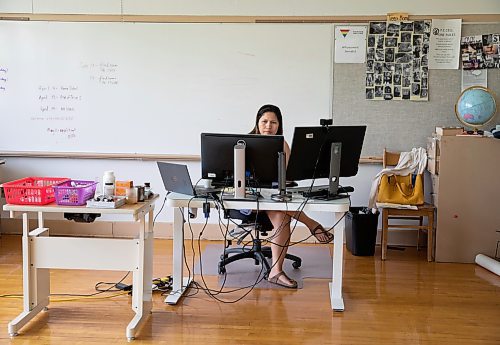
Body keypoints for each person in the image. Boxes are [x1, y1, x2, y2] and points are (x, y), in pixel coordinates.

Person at [249, 104, 333, 289]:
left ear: (279, 125)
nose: (268, 126)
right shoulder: (246, 143)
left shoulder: (282, 144)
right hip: (251, 200)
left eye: (273, 122)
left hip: (273, 201)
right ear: (257, 123)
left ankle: (276, 272)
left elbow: (289, 176)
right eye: (264, 121)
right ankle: (311, 223)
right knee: (279, 207)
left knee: (282, 216)